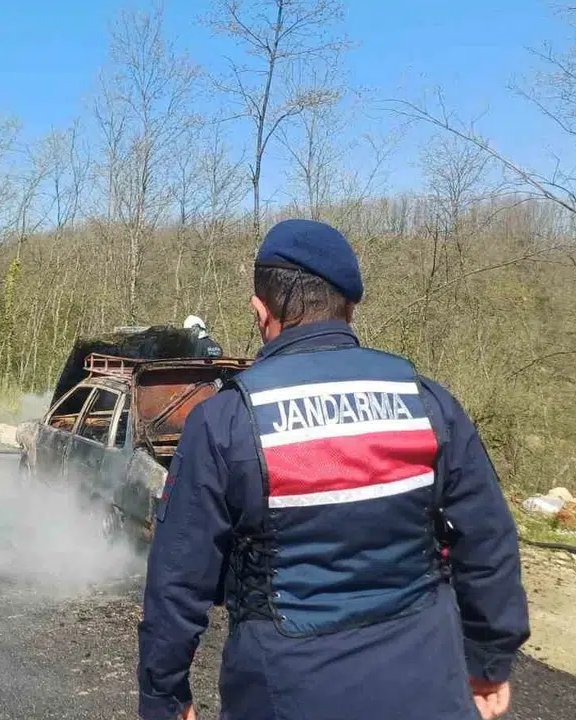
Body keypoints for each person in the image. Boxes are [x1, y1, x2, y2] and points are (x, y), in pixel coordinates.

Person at [137, 219, 531, 720]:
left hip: (286, 693)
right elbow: (489, 540)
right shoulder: (427, 402)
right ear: (352, 306)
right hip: (430, 686)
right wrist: (490, 659)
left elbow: (177, 580)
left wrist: (164, 697)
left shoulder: (225, 420)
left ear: (262, 310)